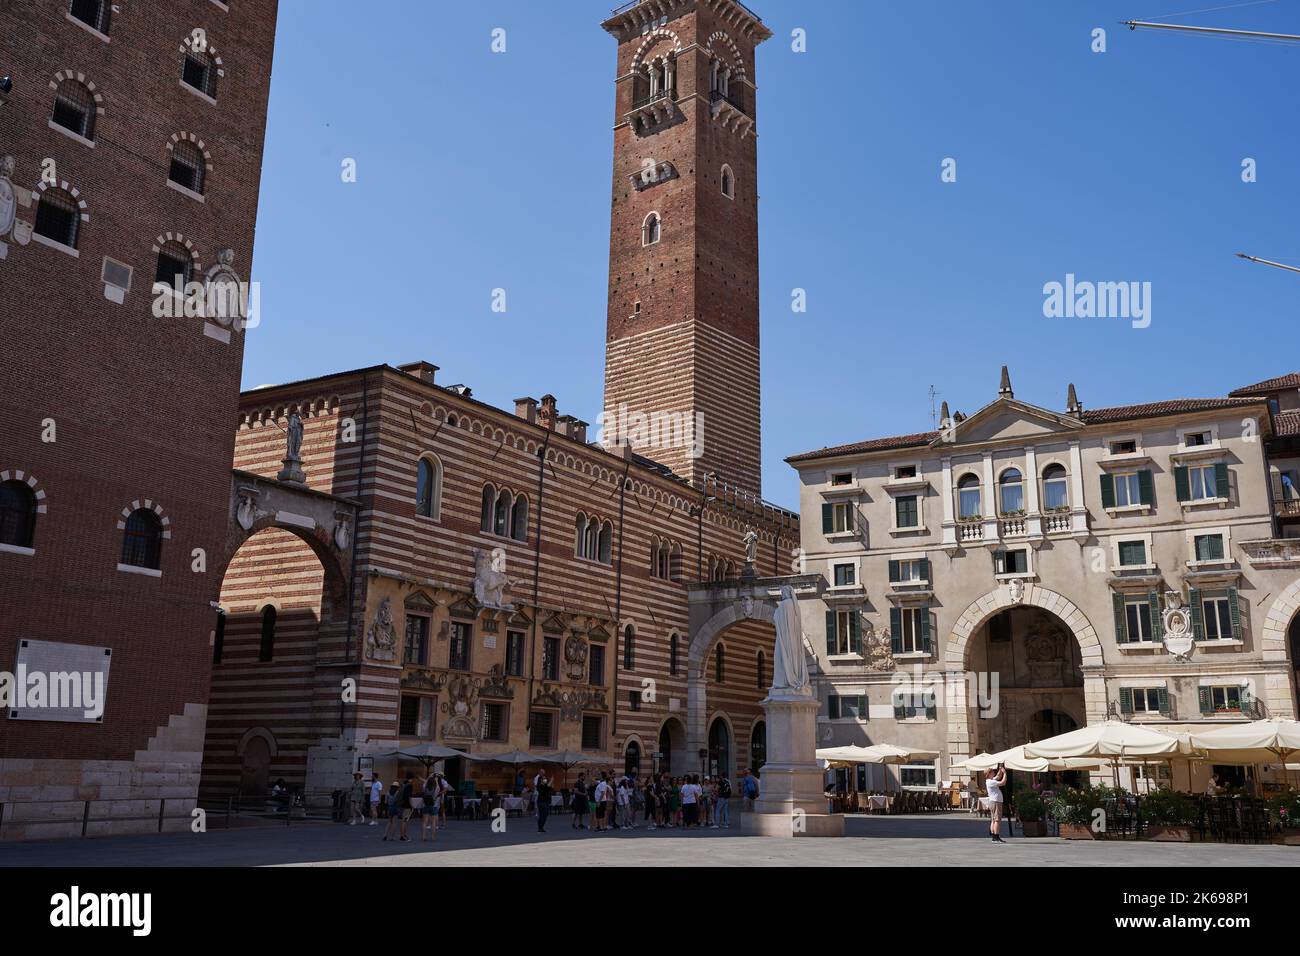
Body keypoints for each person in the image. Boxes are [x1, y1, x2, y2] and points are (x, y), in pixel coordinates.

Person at [985, 764, 1007, 844]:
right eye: (992, 772)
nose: (994, 772)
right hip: (996, 802)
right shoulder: (991, 782)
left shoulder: (990, 781)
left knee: (994, 820)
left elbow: (998, 776)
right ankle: (996, 837)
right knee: (997, 820)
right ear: (989, 773)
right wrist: (1005, 773)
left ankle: (994, 836)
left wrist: (1000, 770)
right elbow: (1002, 782)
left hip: (993, 801)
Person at [420, 773, 440, 842]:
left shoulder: (425, 787)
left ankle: (424, 836)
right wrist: (436, 780)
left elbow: (424, 785)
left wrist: (429, 777)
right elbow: (438, 787)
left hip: (425, 805)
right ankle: (433, 837)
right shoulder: (436, 788)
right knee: (433, 822)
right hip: (433, 805)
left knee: (425, 822)